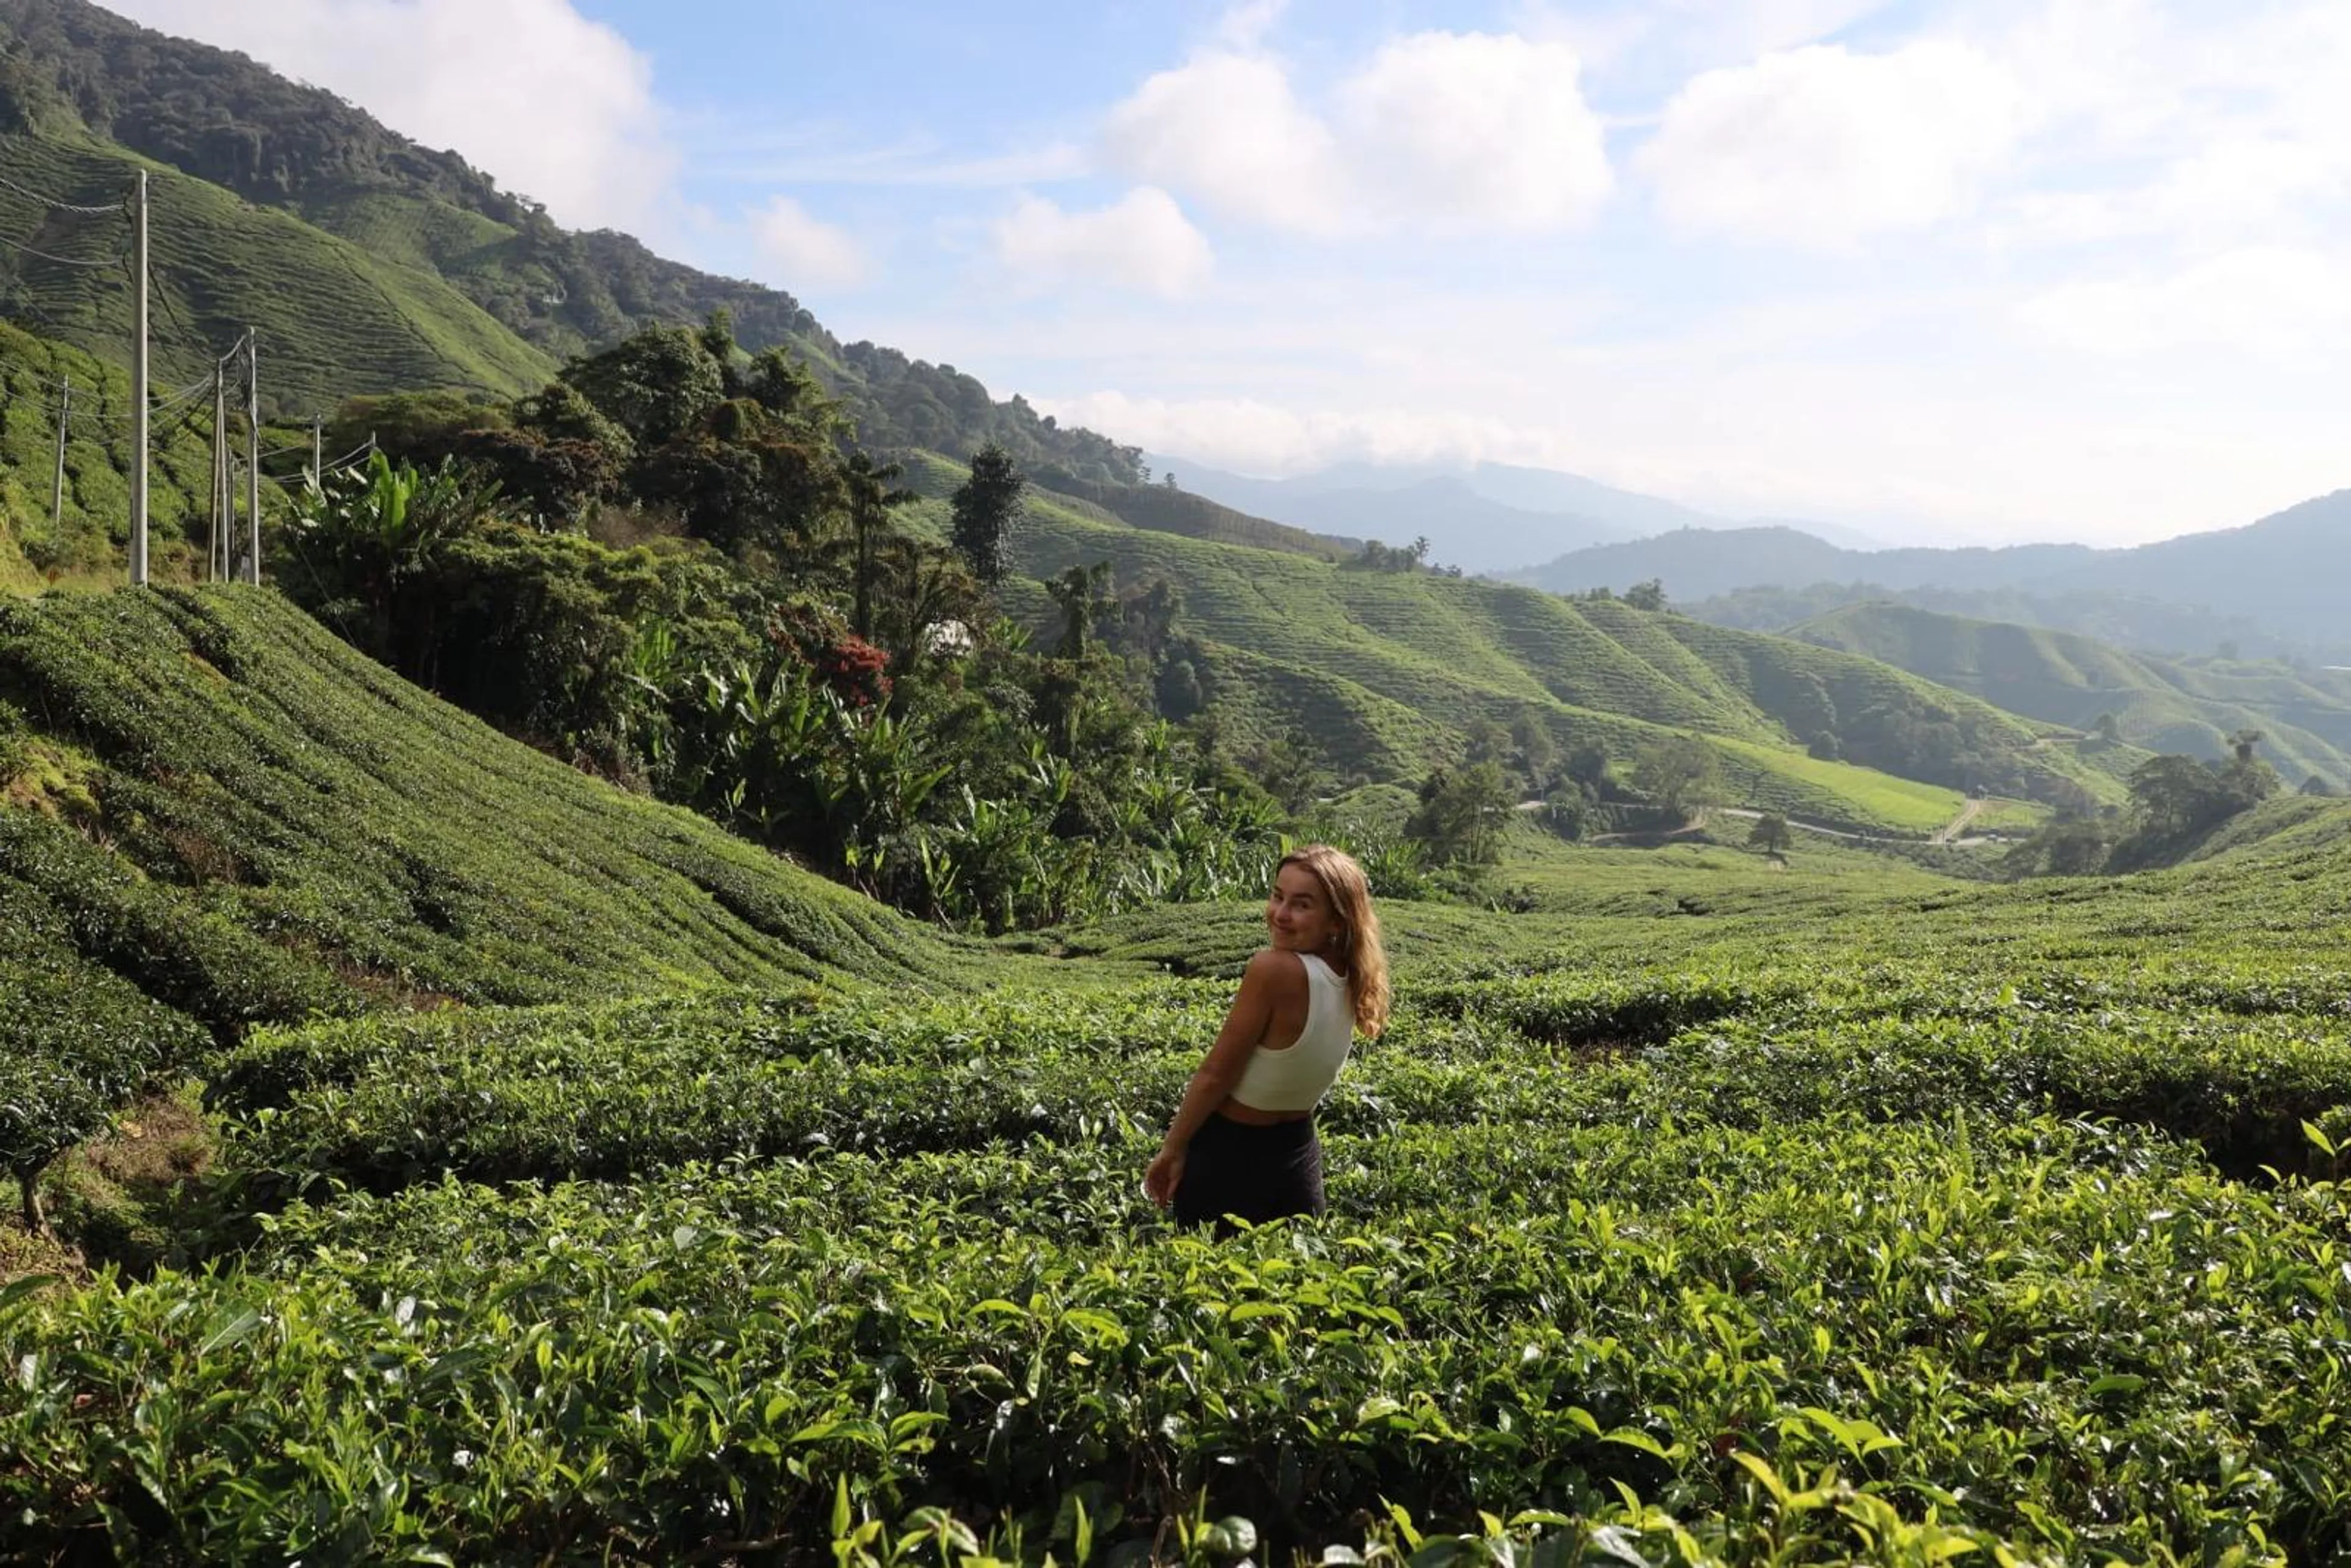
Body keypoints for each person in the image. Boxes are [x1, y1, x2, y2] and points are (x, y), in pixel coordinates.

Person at [1143, 844, 1391, 1230]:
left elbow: (1215, 1075)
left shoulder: (1274, 969)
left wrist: (1173, 1149)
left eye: (1302, 904)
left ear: (1337, 922)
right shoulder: (1353, 972)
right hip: (1298, 1158)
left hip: (1229, 1156)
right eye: (1278, 896)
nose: (1281, 914)